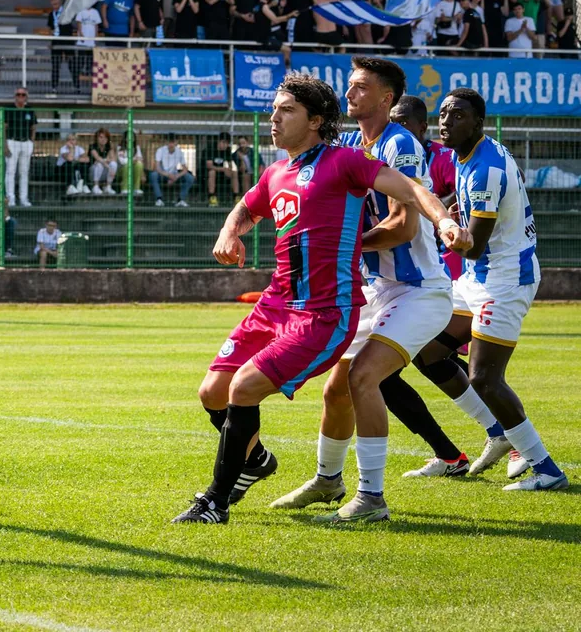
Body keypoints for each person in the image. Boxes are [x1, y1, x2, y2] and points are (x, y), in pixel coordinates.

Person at [172, 74, 468, 524]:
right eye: (274, 109)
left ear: (315, 120)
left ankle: (215, 501)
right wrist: (229, 232)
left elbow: (410, 189)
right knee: (212, 392)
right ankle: (256, 462)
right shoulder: (276, 172)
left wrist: (444, 222)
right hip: (275, 303)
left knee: (244, 388)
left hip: (323, 313)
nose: (273, 117)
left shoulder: (345, 161)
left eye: (286, 110)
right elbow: (247, 208)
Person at [271, 58, 472, 523]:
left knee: (364, 378)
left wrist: (341, 245)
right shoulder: (347, 146)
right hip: (379, 288)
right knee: (335, 392)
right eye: (350, 85)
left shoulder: (399, 142)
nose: (351, 92)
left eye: (361, 86)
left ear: (387, 98)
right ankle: (327, 480)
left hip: (418, 289)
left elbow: (403, 226)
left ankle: (372, 499)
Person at [415, 88, 567, 492]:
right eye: (443, 113)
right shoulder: (469, 154)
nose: (446, 121)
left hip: (504, 278)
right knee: (428, 352)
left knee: (485, 379)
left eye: (458, 115)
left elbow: (473, 244)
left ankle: (545, 468)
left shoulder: (485, 168)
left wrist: (441, 229)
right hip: (478, 277)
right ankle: (498, 433)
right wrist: (450, 210)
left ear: (478, 123)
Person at [5, 88, 37, 207]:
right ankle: (11, 198)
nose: (20, 97)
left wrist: (32, 142)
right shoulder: (9, 109)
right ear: (15, 96)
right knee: (10, 171)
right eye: (18, 94)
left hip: (25, 142)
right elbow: (4, 127)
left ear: (26, 97)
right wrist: (4, 145)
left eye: (23, 95)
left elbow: (33, 127)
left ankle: (24, 198)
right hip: (12, 141)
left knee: (24, 172)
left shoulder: (30, 110)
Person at [150, 133, 194, 207]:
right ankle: (159, 199)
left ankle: (181, 199)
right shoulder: (160, 150)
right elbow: (157, 168)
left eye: (173, 142)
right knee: (153, 175)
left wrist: (176, 176)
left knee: (190, 178)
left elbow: (185, 169)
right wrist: (168, 175)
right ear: (166, 142)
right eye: (169, 142)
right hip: (163, 174)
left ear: (176, 142)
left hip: (174, 174)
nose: (171, 144)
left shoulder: (179, 152)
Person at [202, 132, 239, 206]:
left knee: (234, 172)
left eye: (227, 143)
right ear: (219, 141)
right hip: (206, 174)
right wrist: (223, 169)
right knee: (212, 172)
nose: (225, 145)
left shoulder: (227, 150)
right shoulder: (210, 149)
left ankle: (236, 197)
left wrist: (229, 170)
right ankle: (212, 197)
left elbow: (230, 164)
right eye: (223, 142)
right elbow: (209, 166)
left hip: (221, 174)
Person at [88, 128, 118, 195]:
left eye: (105, 137)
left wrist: (105, 161)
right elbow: (98, 158)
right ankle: (95, 186)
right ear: (96, 138)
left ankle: (108, 186)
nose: (103, 139)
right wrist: (107, 162)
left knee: (114, 164)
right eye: (101, 137)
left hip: (105, 171)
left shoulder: (108, 147)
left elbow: (113, 159)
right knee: (99, 164)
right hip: (93, 173)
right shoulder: (92, 146)